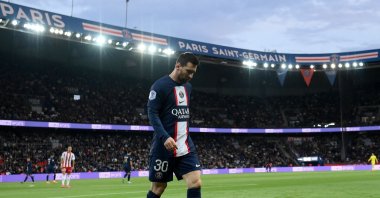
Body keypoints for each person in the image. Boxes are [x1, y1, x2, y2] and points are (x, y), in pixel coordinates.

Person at [147, 52, 202, 198]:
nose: (191, 76)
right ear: (178, 66)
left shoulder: (188, 87)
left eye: (193, 73)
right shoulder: (160, 86)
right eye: (188, 71)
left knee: (195, 182)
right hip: (164, 146)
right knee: (158, 187)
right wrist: (165, 137)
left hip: (185, 144)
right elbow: (152, 113)